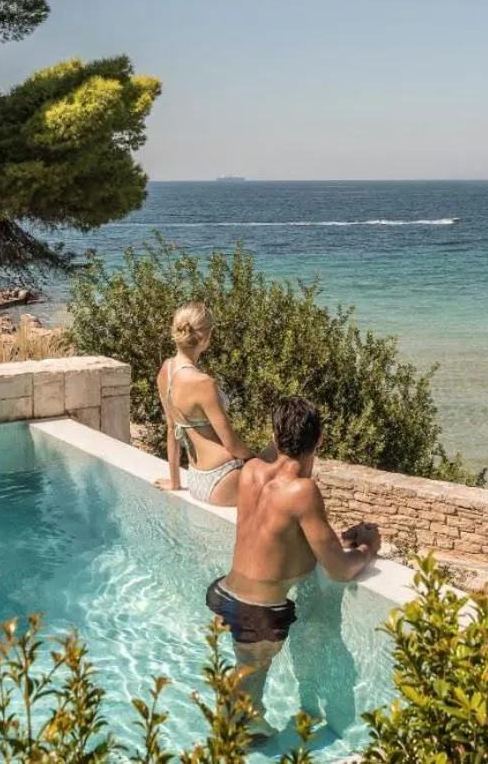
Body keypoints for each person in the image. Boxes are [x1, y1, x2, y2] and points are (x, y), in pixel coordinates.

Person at [206, 397, 381, 742]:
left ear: (274, 436)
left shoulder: (252, 471)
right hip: (260, 612)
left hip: (226, 594)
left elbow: (277, 536)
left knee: (245, 681)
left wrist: (334, 540)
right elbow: (339, 569)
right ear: (321, 439)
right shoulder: (302, 491)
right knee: (245, 698)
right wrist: (366, 549)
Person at [155, 302, 254, 505]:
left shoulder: (166, 371)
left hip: (197, 479)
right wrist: (256, 460)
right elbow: (232, 444)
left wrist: (175, 482)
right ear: (205, 338)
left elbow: (171, 430)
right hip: (223, 477)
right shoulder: (203, 383)